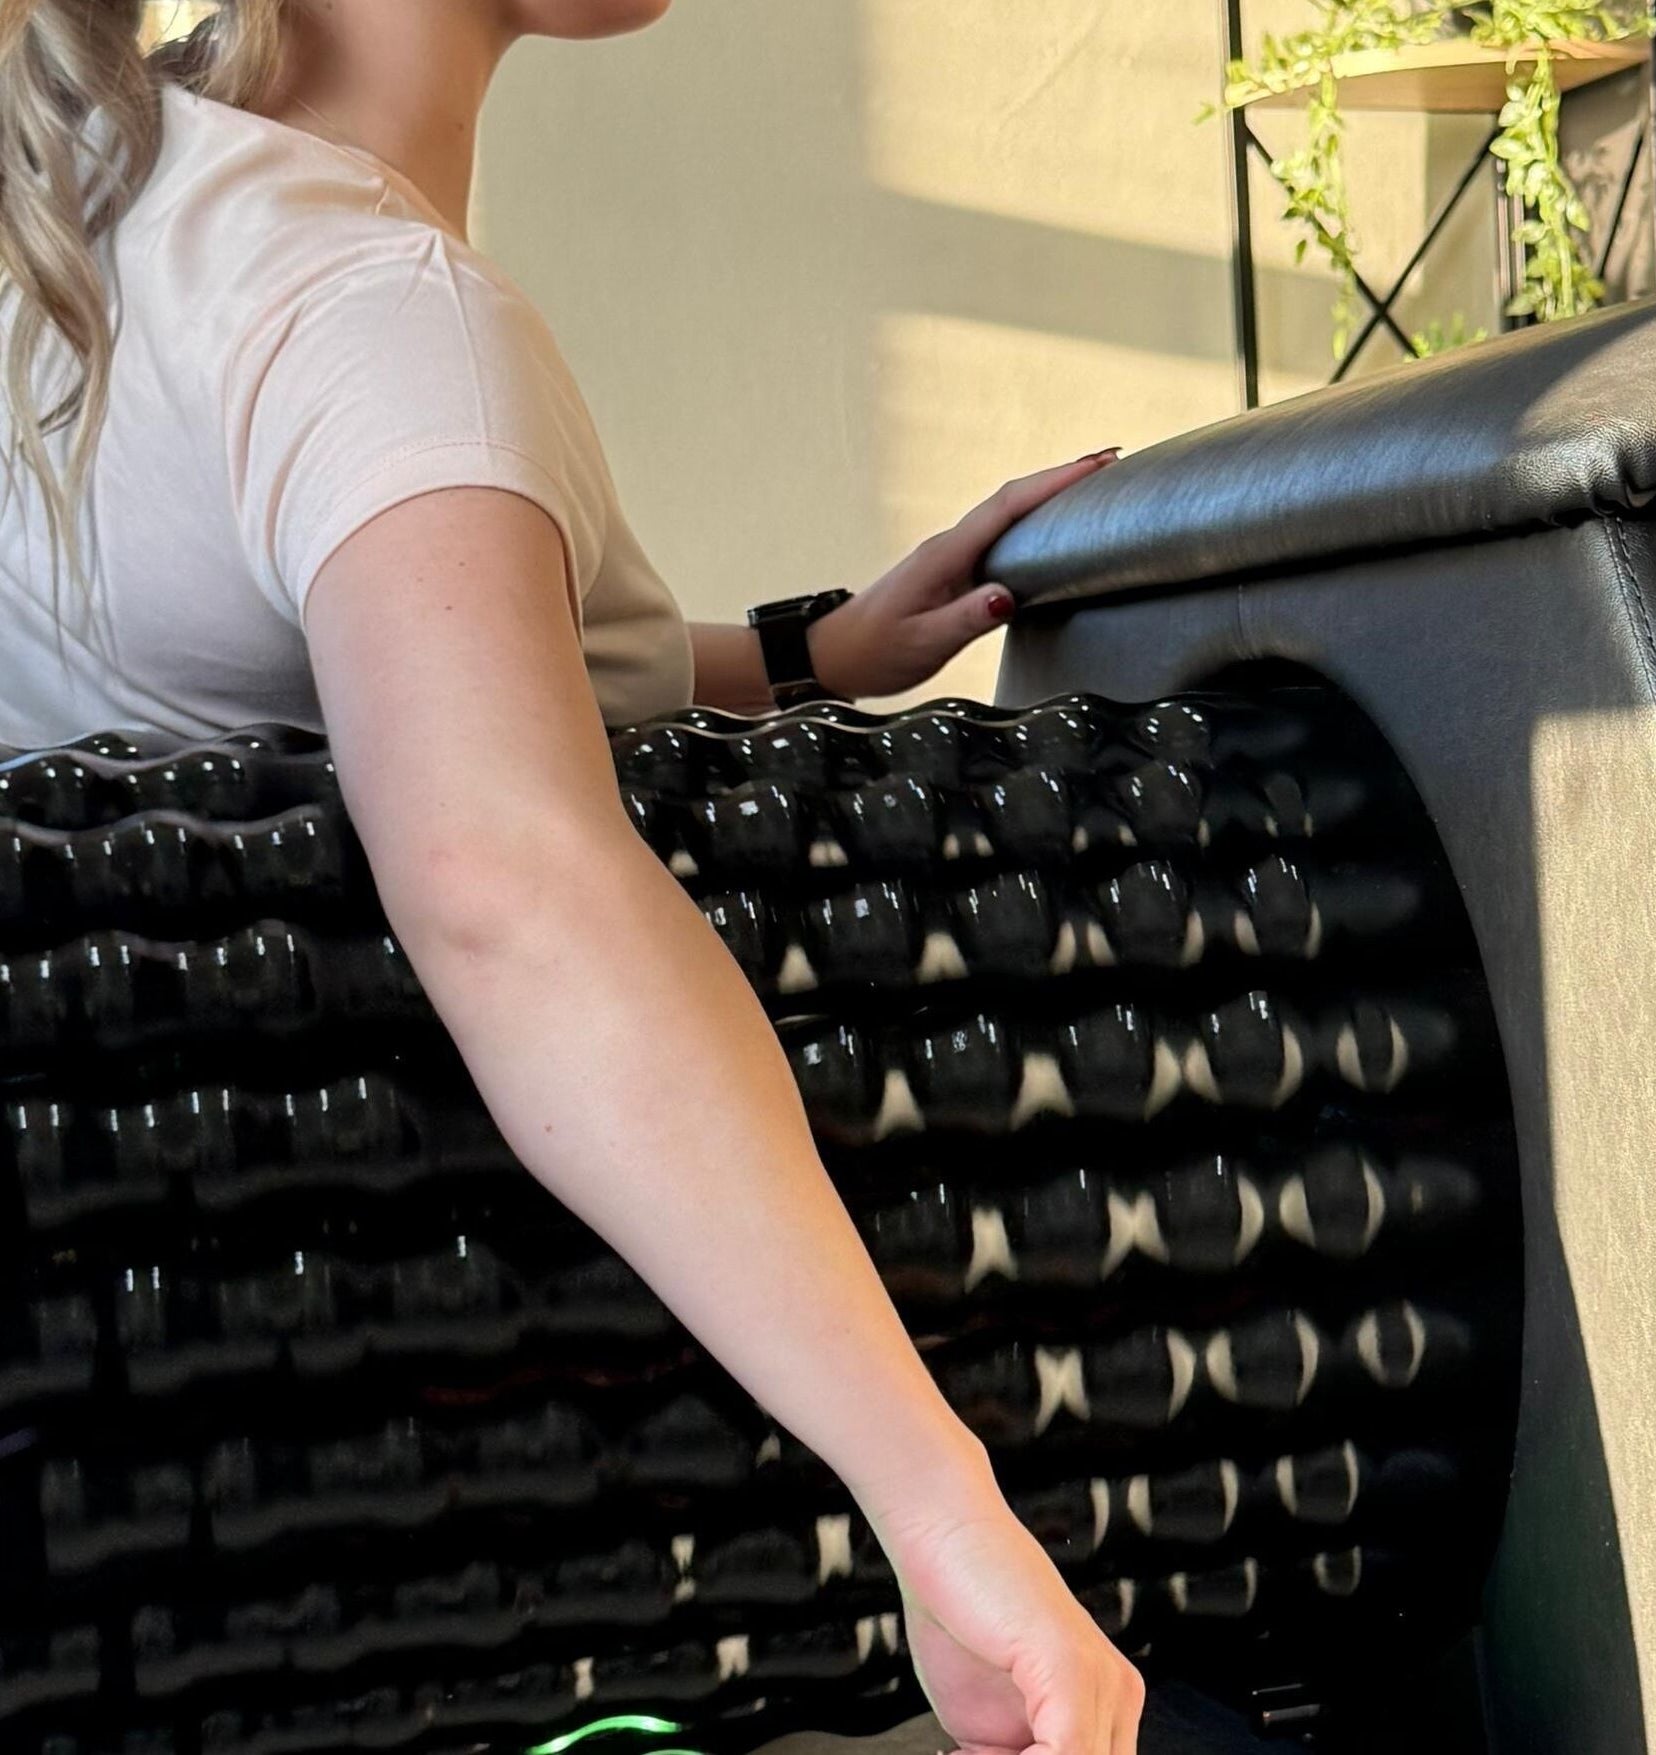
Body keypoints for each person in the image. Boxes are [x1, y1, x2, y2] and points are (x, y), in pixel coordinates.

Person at [0, 3, 1145, 1752]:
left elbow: (357, 667)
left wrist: (801, 651)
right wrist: (946, 1515)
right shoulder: (364, 305)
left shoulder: (77, 194)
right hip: (410, 1452)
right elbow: (501, 884)